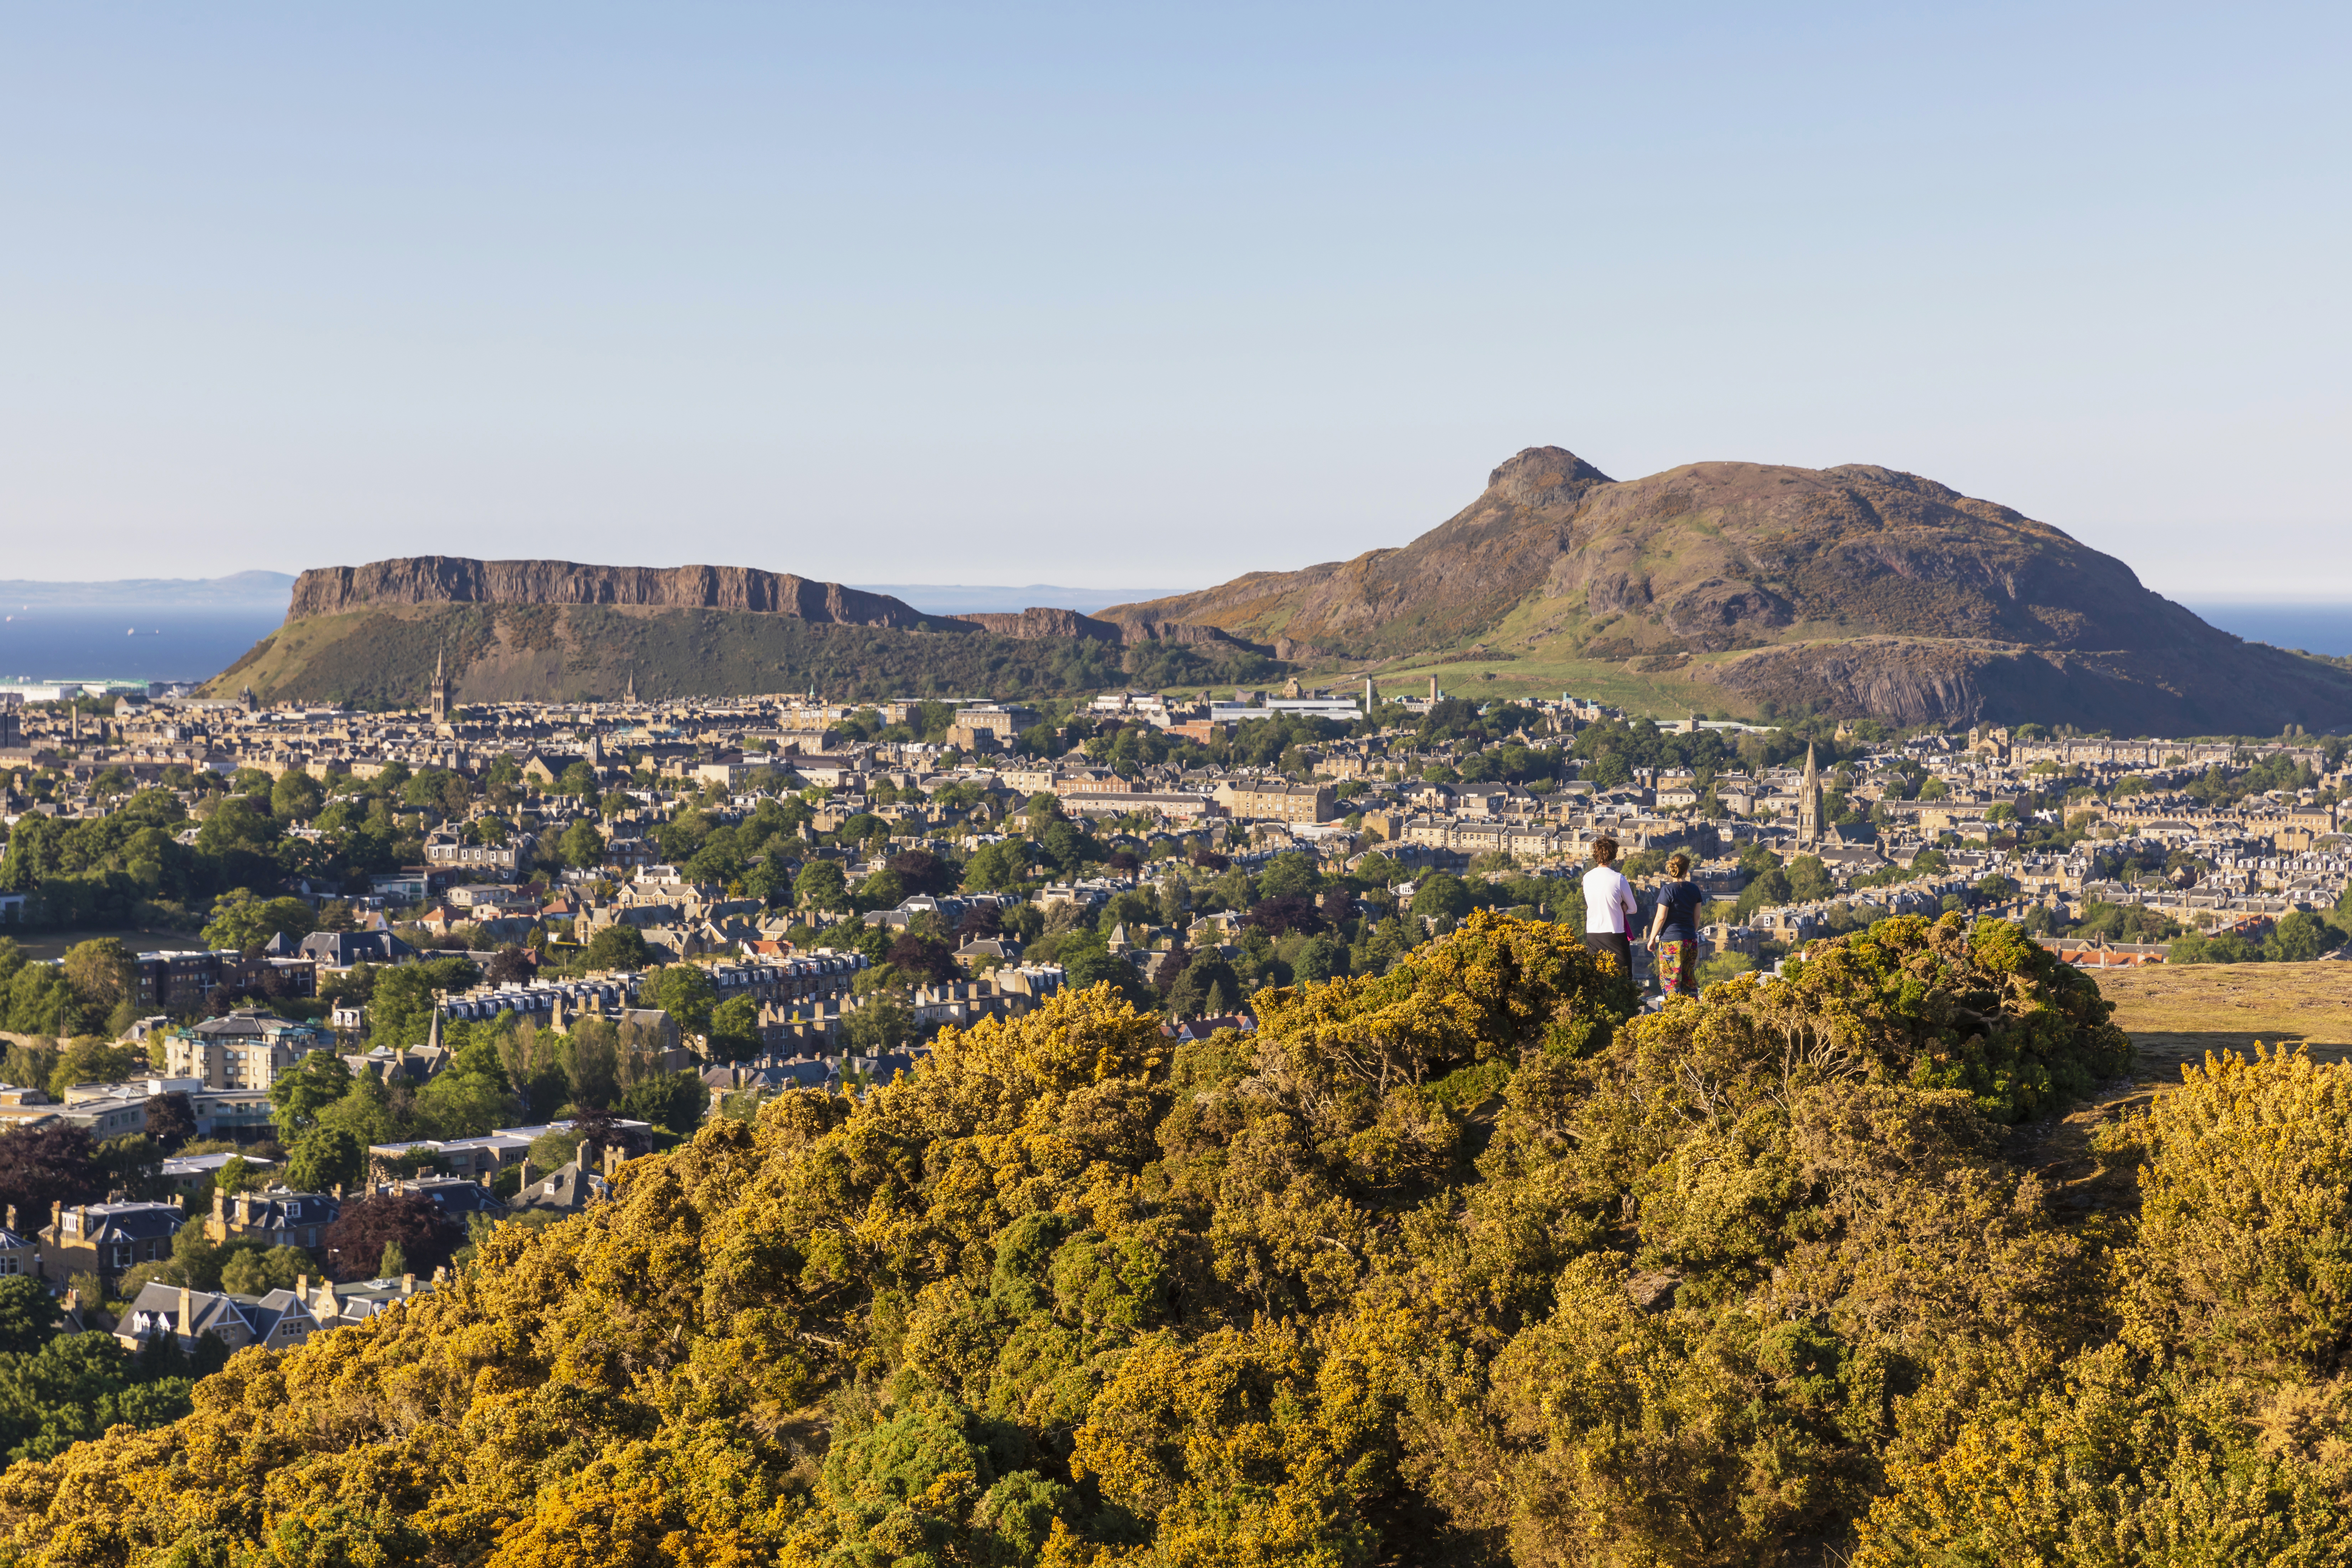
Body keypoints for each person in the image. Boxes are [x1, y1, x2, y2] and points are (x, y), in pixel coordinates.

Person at [1647, 851, 1705, 999]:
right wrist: (1691, 932)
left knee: (1672, 981)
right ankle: (1692, 1014)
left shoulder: (1668, 890)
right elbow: (1697, 916)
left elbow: (1661, 917)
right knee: (1689, 979)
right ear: (1686, 871)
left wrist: (1652, 938)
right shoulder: (1695, 889)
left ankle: (1675, 1016)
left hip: (1671, 942)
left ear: (1672, 869)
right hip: (1691, 940)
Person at [1581, 836, 1639, 976]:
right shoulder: (1619, 878)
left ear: (1596, 855)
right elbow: (1633, 908)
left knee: (1597, 979)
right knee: (1624, 979)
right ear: (1613, 856)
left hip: (1593, 934)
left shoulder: (1587, 878)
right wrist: (1622, 906)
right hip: (1615, 934)